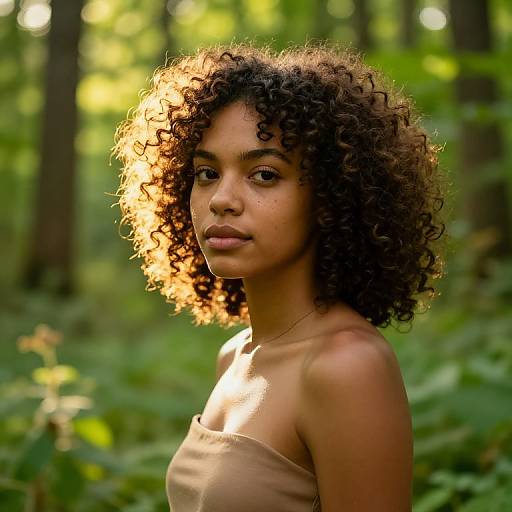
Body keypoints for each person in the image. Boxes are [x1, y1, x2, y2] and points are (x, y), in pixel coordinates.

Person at [113, 42, 449, 512]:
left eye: (264, 174)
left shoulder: (347, 366)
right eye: (207, 172)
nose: (222, 199)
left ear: (331, 197)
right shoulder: (233, 356)